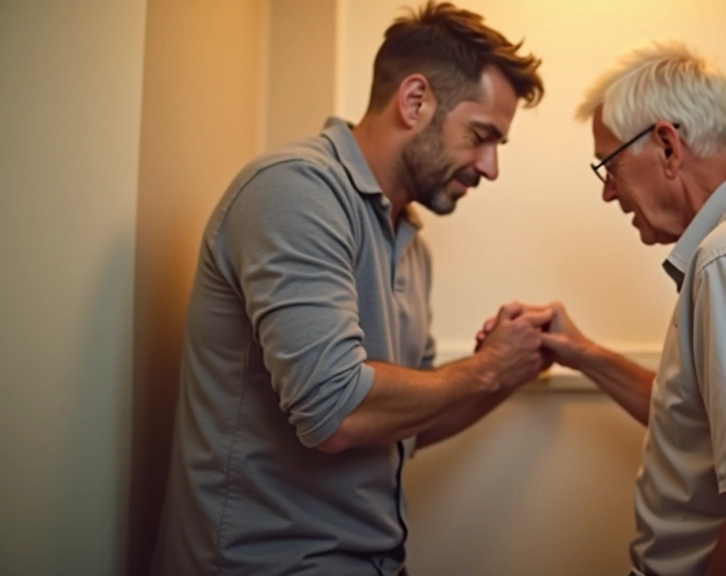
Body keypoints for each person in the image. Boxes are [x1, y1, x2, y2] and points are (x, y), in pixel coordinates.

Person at [150, 3, 548, 575]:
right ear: (415, 101)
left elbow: (411, 421)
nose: (490, 167)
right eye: (481, 136)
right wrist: (485, 369)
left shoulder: (411, 243)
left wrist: (510, 368)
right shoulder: (295, 191)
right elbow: (337, 412)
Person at [480, 41, 726, 576]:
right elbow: (698, 419)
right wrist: (580, 352)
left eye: (610, 165)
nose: (609, 193)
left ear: (666, 145)